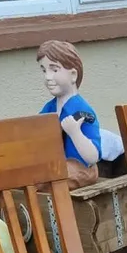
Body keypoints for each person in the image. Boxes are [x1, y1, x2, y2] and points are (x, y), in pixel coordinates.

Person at [36, 40, 101, 189]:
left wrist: (75, 132)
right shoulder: (50, 107)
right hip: (57, 165)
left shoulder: (82, 111)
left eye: (54, 70)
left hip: (81, 168)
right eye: (44, 70)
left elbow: (93, 157)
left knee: (46, 179)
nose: (48, 77)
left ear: (72, 75)